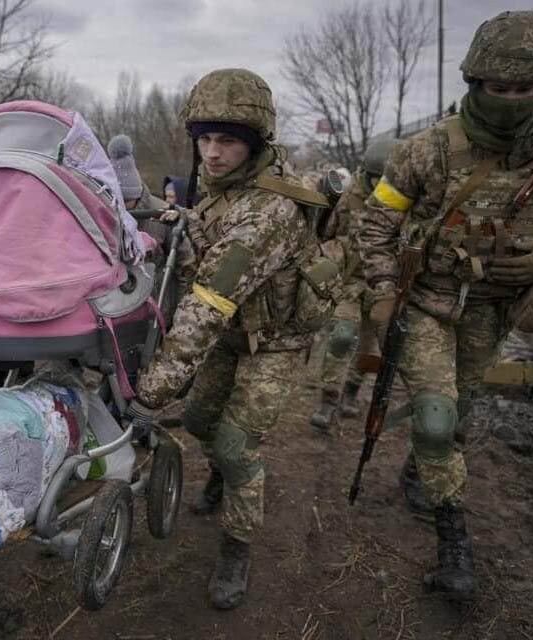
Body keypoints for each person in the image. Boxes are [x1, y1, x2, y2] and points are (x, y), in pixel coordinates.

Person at [356, 11, 533, 600]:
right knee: (437, 418)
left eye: (524, 88)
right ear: (474, 82)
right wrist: (383, 292)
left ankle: (421, 469)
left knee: (456, 414)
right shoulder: (425, 151)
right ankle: (454, 546)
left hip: (493, 312)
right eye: (498, 87)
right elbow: (376, 225)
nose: (511, 100)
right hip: (426, 305)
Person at [128, 68, 331, 610]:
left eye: (228, 141)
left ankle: (236, 548)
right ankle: (220, 472)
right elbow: (203, 256)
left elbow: (207, 304)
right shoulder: (221, 188)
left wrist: (151, 390)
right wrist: (180, 224)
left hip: (275, 341)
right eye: (205, 139)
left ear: (255, 144)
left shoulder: (269, 212)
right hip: (233, 333)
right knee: (199, 421)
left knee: (237, 447)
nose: (212, 153)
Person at [309, 139, 398, 431]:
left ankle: (352, 391)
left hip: (382, 285)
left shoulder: (404, 202)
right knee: (342, 335)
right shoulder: (349, 198)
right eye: (375, 178)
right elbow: (327, 234)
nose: (380, 185)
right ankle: (328, 399)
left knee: (370, 345)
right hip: (349, 282)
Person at [108, 133, 168, 211]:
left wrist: (177, 213)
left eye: (125, 200)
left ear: (137, 196)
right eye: (116, 200)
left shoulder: (161, 210)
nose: (121, 205)